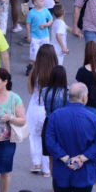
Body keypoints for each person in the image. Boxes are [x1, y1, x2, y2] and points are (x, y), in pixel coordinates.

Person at [44, 84, 96, 192]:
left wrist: (65, 159)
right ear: (84, 98)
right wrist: (82, 158)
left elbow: (50, 141)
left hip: (62, 171)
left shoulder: (55, 116)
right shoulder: (92, 118)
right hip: (84, 172)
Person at [26, 46, 65, 175]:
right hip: (50, 107)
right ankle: (47, 169)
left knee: (34, 135)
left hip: (35, 106)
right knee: (47, 137)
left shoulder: (35, 71)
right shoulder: (56, 71)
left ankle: (36, 162)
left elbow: (30, 90)